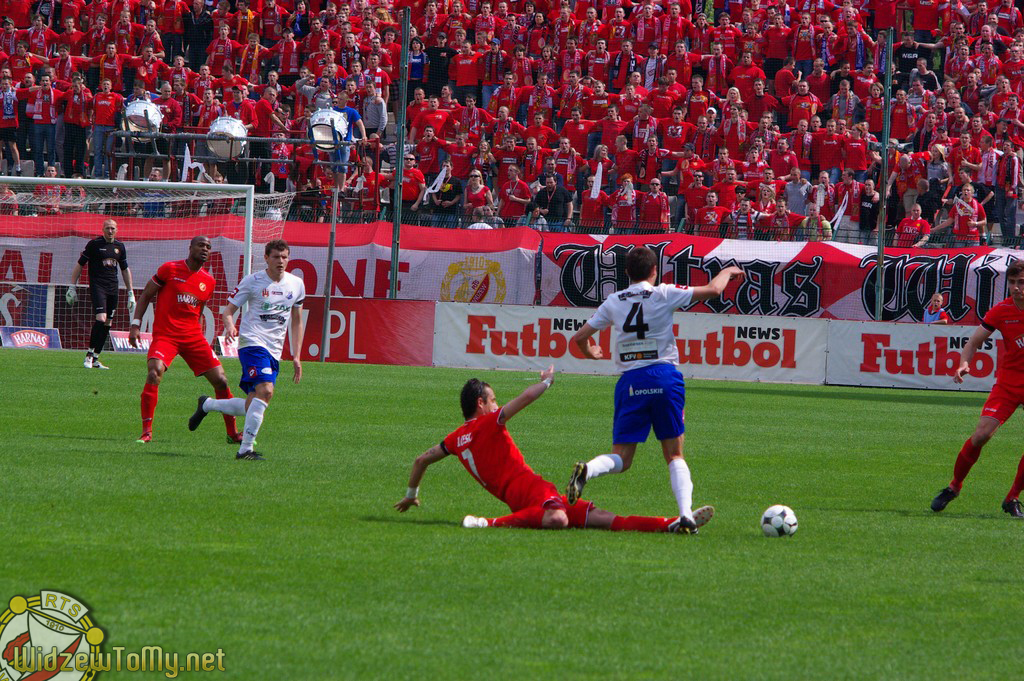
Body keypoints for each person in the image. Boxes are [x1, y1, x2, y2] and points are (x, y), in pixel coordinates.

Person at [394, 366, 711, 533]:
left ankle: (670, 523)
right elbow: (524, 399)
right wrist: (546, 382)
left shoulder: (454, 439)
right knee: (558, 519)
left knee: (603, 518)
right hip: (530, 489)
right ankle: (484, 522)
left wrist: (411, 495)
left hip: (521, 495)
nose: (497, 404)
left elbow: (422, 459)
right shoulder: (487, 423)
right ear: (481, 404)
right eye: (492, 399)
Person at [565, 247, 745, 531]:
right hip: (663, 377)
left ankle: (588, 470)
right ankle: (685, 514)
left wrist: (591, 353)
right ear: (654, 271)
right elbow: (712, 290)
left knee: (622, 459)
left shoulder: (614, 301)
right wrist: (726, 272)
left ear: (626, 274)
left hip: (631, 382)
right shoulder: (664, 292)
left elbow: (579, 338)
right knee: (674, 454)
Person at [189, 239, 306, 461]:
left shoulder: (296, 284)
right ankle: (245, 449)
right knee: (266, 391)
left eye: (284, 257)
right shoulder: (253, 281)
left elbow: (297, 321)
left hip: (274, 350)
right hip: (252, 343)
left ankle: (208, 404)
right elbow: (228, 310)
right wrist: (231, 325)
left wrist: (297, 356)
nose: (280, 261)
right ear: (266, 258)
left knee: (252, 403)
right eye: (275, 257)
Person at [931, 261, 1024, 518]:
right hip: (1009, 383)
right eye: (1013, 283)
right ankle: (954, 486)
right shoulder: (1002, 311)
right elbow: (973, 341)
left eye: (1022, 283)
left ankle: (1012, 498)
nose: (1017, 288)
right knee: (981, 435)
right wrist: (963, 363)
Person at [128, 236, 241, 445]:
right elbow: (146, 295)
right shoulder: (169, 269)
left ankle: (232, 433)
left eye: (208, 247)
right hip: (166, 336)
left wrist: (197, 336)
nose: (205, 249)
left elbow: (198, 311)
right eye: (201, 245)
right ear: (190, 248)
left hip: (192, 337)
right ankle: (146, 432)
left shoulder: (208, 281)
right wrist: (135, 324)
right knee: (154, 372)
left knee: (222, 380)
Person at [67, 219, 135, 369]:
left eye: (112, 228)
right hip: (98, 287)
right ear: (102, 229)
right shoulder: (94, 245)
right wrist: (72, 286)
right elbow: (80, 265)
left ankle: (96, 358)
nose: (110, 231)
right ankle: (89, 355)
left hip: (113, 288)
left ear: (116, 230)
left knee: (108, 322)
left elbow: (124, 269)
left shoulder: (120, 247)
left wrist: (131, 293)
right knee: (101, 318)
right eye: (107, 228)